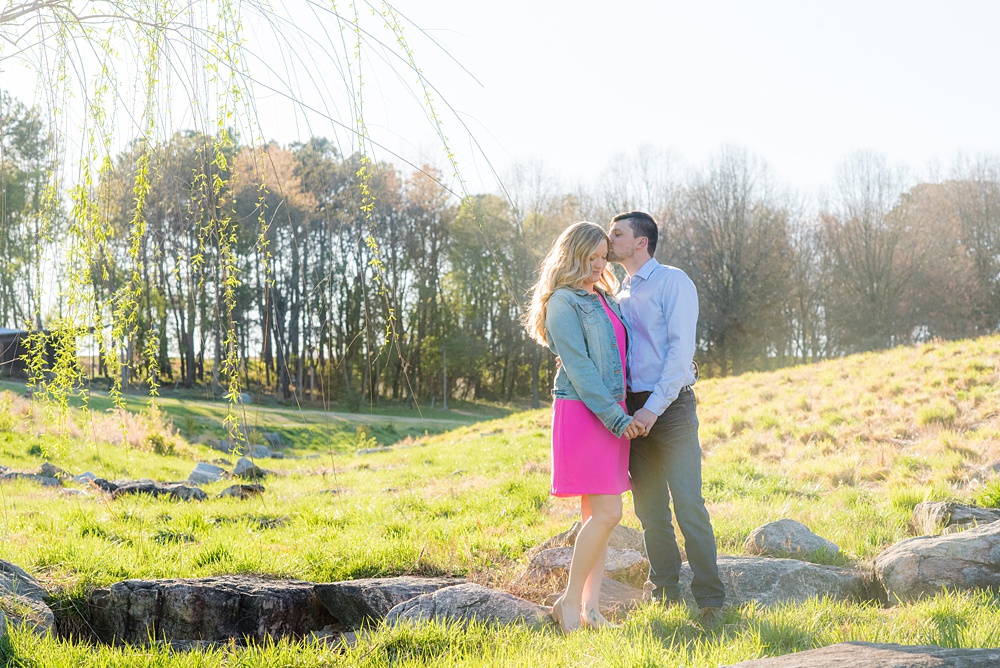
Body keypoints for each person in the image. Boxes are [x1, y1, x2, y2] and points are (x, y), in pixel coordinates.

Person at [606, 210, 726, 628]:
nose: (609, 239)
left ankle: (711, 599)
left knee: (689, 504)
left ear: (641, 241)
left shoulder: (673, 281)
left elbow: (679, 355)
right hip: (632, 412)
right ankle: (665, 592)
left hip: (669, 408)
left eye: (617, 233)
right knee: (650, 509)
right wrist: (628, 412)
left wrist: (652, 410)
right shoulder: (619, 292)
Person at [523, 221, 643, 633]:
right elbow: (580, 369)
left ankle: (591, 609)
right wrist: (616, 418)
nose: (597, 265)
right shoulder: (562, 303)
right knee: (609, 512)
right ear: (571, 256)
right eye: (589, 258)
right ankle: (568, 602)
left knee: (598, 514)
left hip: (612, 412)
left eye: (601, 258)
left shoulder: (605, 297)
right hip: (587, 414)